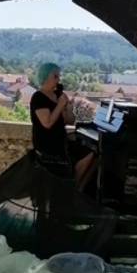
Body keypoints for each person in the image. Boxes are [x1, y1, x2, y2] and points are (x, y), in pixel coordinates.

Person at [30, 63, 95, 191]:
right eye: (55, 76)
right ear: (45, 77)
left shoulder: (57, 96)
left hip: (61, 142)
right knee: (83, 156)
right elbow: (47, 123)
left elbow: (71, 120)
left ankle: (77, 190)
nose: (58, 80)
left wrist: (66, 106)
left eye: (58, 77)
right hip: (47, 146)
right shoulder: (38, 97)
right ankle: (70, 191)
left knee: (93, 156)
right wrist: (60, 105)